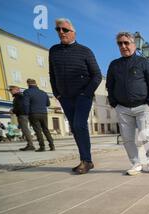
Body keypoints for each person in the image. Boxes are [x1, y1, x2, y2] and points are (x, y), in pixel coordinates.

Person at [49, 18, 102, 174]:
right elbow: (52, 74)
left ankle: (86, 161)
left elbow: (97, 75)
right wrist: (56, 93)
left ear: (73, 32)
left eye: (65, 30)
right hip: (64, 96)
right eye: (58, 29)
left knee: (79, 125)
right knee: (75, 128)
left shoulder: (85, 51)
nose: (61, 32)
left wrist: (86, 93)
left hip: (82, 95)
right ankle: (84, 159)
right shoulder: (54, 51)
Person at [106, 32, 149, 176]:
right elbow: (109, 86)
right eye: (120, 43)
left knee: (145, 135)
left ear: (134, 45)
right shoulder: (114, 65)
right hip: (122, 108)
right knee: (127, 138)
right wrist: (114, 103)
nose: (123, 46)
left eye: (126, 43)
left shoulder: (144, 62)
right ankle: (136, 163)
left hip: (143, 106)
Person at [23, 79, 55, 152]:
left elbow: (26, 104)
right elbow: (48, 104)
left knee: (38, 130)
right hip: (43, 113)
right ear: (36, 83)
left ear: (28, 84)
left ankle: (42, 147)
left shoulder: (27, 92)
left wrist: (27, 113)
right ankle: (52, 145)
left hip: (33, 113)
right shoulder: (43, 92)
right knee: (46, 129)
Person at [8, 85, 35, 151]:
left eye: (11, 90)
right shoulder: (19, 97)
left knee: (25, 130)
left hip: (22, 115)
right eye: (10, 90)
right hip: (22, 115)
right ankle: (30, 144)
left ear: (17, 90)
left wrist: (13, 110)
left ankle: (30, 145)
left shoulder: (19, 97)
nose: (10, 91)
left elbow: (20, 107)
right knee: (25, 130)